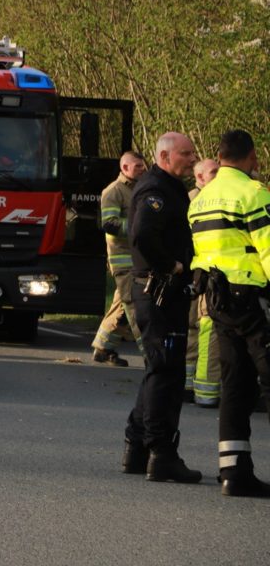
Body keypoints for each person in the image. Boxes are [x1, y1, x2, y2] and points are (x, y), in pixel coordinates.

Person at [187, 130, 270, 496]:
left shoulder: (201, 200)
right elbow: (267, 247)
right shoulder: (253, 193)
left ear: (219, 157)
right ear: (251, 157)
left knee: (235, 383)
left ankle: (234, 472)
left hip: (217, 299)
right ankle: (237, 473)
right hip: (252, 297)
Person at [121, 131, 201, 483]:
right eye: (186, 153)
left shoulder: (169, 186)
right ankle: (161, 453)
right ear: (165, 156)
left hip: (163, 292)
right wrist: (171, 266)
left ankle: (136, 449)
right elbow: (141, 235)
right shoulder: (156, 189)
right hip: (158, 291)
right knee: (167, 373)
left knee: (159, 370)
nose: (192, 159)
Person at [90, 151, 147, 367]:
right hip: (123, 261)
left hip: (137, 258)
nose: (143, 170)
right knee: (135, 307)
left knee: (120, 305)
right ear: (124, 168)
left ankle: (103, 347)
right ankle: (150, 356)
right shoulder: (113, 191)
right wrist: (140, 227)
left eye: (143, 166)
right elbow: (110, 223)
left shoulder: (139, 189)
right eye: (138, 167)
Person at [186, 157, 222, 406]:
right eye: (214, 172)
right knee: (199, 330)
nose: (219, 175)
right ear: (199, 177)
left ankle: (191, 385)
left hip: (200, 275)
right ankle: (200, 388)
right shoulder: (194, 200)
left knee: (196, 330)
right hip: (199, 274)